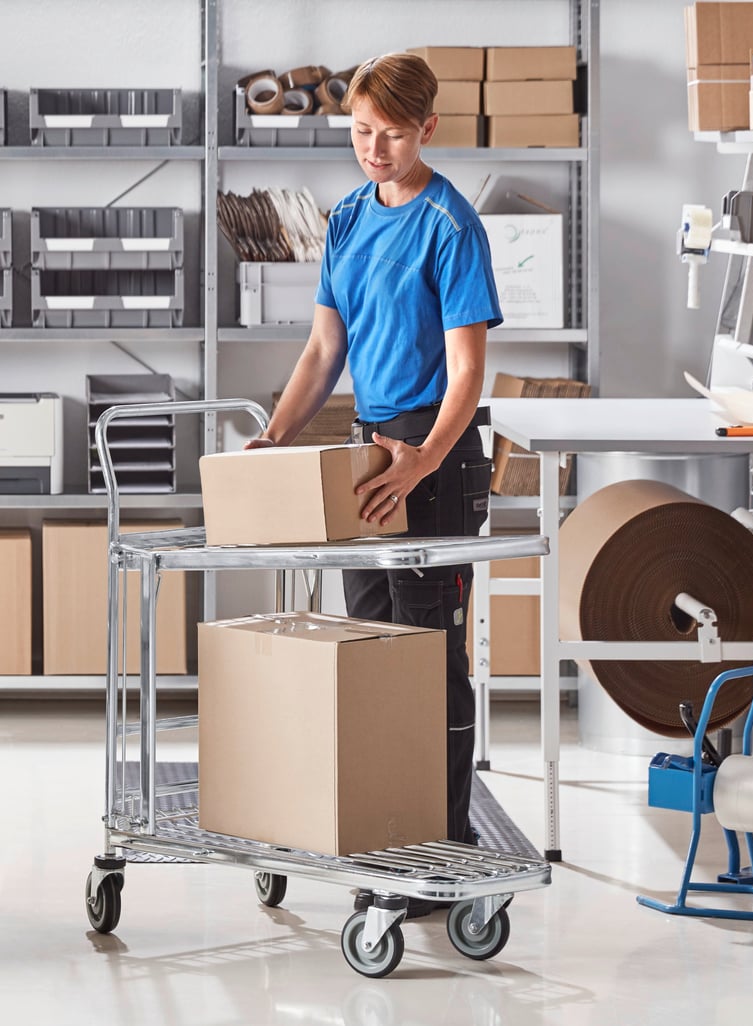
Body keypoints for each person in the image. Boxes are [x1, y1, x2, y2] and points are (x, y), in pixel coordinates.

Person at [245, 52, 503, 913]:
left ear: (427, 129)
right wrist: (273, 436)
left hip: (434, 459)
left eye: (391, 134)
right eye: (360, 132)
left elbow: (468, 371)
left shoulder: (451, 226)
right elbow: (325, 349)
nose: (374, 149)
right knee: (371, 652)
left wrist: (422, 459)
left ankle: (443, 847)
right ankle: (386, 828)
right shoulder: (350, 214)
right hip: (367, 454)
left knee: (432, 661)